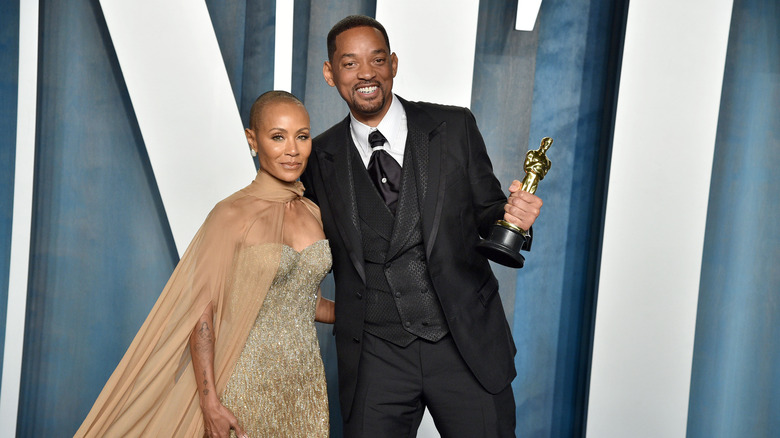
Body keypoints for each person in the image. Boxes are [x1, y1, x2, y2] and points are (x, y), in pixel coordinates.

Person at [300, 15, 543, 437]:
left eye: (376, 60)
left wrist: (513, 218)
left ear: (393, 64)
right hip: (375, 355)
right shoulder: (316, 159)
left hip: (464, 343)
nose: (366, 75)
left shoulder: (453, 128)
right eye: (350, 63)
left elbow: (489, 211)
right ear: (329, 73)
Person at [75, 91, 334, 438]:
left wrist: (378, 310)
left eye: (302, 136)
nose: (293, 149)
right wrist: (211, 402)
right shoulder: (230, 215)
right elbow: (201, 313)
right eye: (278, 136)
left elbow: (308, 303)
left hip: (304, 385)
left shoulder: (312, 212)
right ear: (252, 140)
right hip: (243, 383)